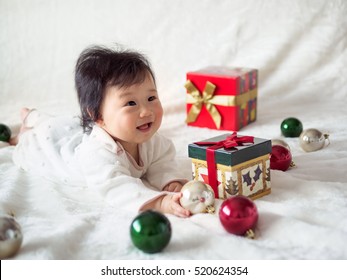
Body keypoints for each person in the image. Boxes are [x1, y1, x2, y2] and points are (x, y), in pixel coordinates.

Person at [11, 45, 190, 217]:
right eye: (130, 103)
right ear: (98, 116)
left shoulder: (151, 139)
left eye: (151, 98)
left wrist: (169, 181)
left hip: (77, 129)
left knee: (66, 124)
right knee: (40, 136)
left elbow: (160, 161)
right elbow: (117, 188)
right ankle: (27, 127)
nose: (146, 111)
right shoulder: (97, 154)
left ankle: (34, 116)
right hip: (53, 146)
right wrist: (159, 203)